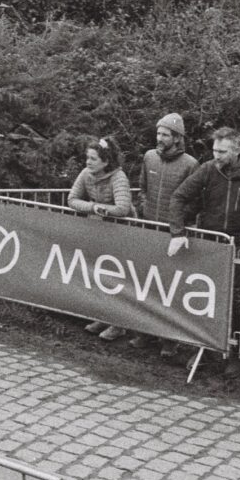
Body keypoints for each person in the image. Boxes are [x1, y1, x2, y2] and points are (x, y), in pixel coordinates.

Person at [167, 127, 240, 375]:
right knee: (205, 294)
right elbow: (179, 197)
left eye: (222, 152)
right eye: (214, 150)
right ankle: (204, 348)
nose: (217, 156)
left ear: (236, 151)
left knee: (235, 298)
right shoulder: (208, 169)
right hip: (211, 243)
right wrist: (178, 233)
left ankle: (233, 354)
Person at [134, 113, 199, 351]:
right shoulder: (149, 157)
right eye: (158, 133)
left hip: (173, 234)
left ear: (177, 137)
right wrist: (144, 206)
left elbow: (193, 200)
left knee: (169, 286)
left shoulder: (190, 164)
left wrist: (178, 223)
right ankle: (144, 332)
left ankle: (169, 340)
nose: (159, 138)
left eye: (165, 134)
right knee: (146, 283)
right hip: (150, 227)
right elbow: (142, 187)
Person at [68, 135, 134, 342]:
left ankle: (119, 324)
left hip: (121, 234)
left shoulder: (118, 177)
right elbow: (72, 199)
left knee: (118, 278)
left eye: (93, 159)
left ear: (106, 161)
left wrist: (100, 209)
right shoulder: (86, 174)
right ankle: (102, 317)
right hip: (97, 231)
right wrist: (91, 207)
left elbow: (123, 208)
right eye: (87, 158)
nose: (88, 162)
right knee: (99, 275)